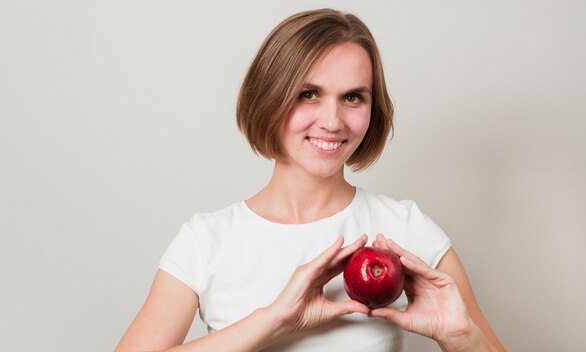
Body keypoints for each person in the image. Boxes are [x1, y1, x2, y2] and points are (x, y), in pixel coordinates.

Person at [116, 8, 506, 352]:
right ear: (269, 96)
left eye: (353, 97)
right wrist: (273, 321)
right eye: (308, 94)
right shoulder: (206, 241)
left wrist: (461, 339)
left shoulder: (404, 229)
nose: (333, 121)